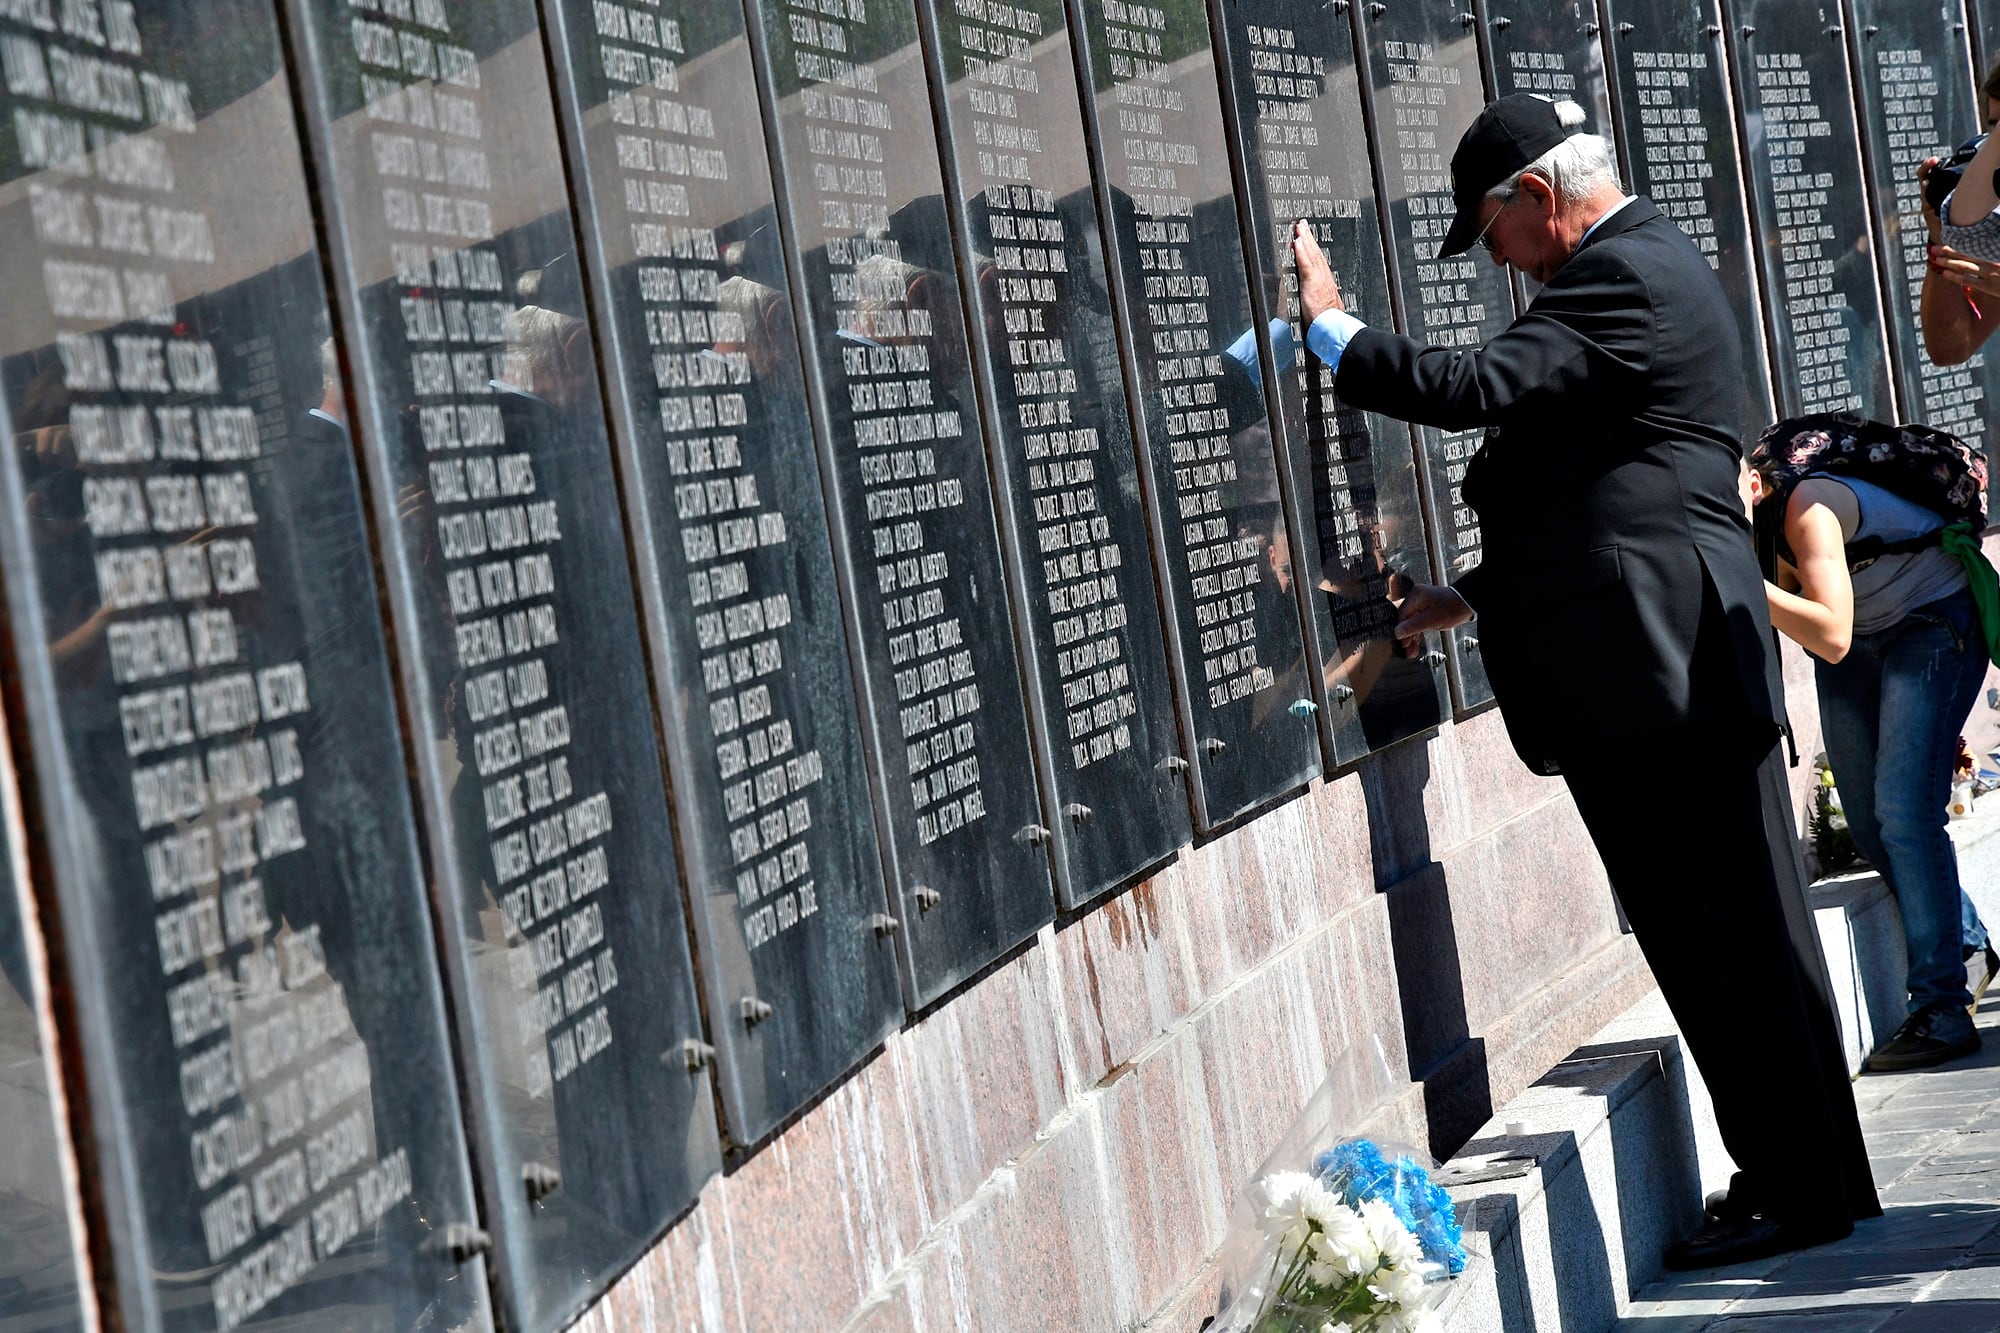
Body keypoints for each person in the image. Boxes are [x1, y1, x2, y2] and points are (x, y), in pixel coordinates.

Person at [1289, 93, 1879, 1268]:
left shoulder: (1615, 276)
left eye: (1492, 232)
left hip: (1657, 680)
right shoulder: (1644, 264)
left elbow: (1469, 390)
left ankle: (1792, 1182)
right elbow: (1609, 496)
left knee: (1723, 939)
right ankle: (1806, 1174)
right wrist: (1469, 594)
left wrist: (1329, 327)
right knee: (1741, 932)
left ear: (1538, 199)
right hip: (1667, 662)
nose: (1500, 262)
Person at [1748, 417, 1993, 1069]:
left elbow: (1825, 632)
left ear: (1749, 485)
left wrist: (1742, 585)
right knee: (1870, 820)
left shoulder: (1806, 506)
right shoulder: (1742, 532)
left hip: (1933, 618)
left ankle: (1941, 1004)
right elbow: (1826, 634)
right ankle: (1967, 944)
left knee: (1907, 811)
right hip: (1859, 638)